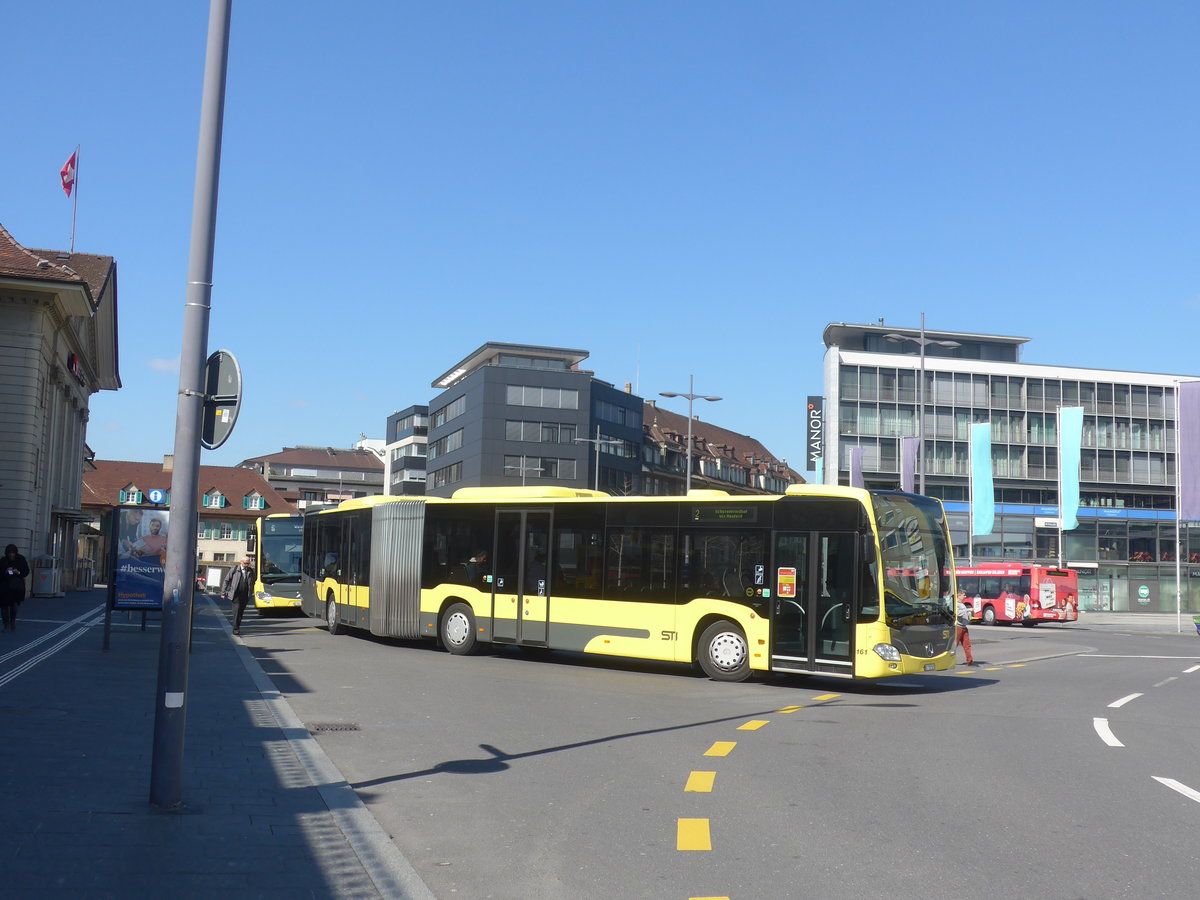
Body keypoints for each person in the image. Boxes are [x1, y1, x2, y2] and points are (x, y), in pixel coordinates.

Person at [221, 555, 256, 635]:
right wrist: (223, 593)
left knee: (241, 612)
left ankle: (237, 626)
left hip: (245, 595)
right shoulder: (235, 569)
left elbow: (253, 581)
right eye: (245, 563)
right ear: (241, 562)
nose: (247, 565)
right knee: (236, 611)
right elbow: (226, 580)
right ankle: (236, 629)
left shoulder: (250, 571)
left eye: (248, 563)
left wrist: (251, 592)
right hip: (235, 594)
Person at [1, 544, 30, 632]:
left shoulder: (21, 559)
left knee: (14, 605)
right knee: (4, 607)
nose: (11, 555)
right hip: (5, 586)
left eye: (13, 553)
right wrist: (6, 571)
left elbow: (26, 571)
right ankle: (6, 624)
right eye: (10, 553)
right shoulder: (3, 560)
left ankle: (12, 622)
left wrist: (18, 572)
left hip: (16, 587)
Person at [956, 588, 977, 665]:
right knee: (954, 645)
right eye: (964, 595)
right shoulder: (956, 604)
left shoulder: (962, 604)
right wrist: (968, 610)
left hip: (964, 627)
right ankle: (948, 660)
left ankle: (970, 661)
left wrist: (970, 616)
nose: (965, 596)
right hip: (958, 627)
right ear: (959, 595)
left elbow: (965, 614)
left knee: (967, 645)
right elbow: (958, 613)